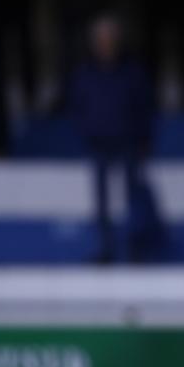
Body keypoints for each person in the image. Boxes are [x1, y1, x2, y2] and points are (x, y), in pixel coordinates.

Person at [70, 15, 163, 263]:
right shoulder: (85, 72)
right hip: (98, 143)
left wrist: (145, 138)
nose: (105, 45)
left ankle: (134, 248)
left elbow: (145, 107)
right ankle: (105, 249)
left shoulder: (132, 72)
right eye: (100, 40)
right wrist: (86, 131)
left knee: (133, 197)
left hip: (128, 142)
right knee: (101, 202)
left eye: (109, 39)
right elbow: (78, 106)